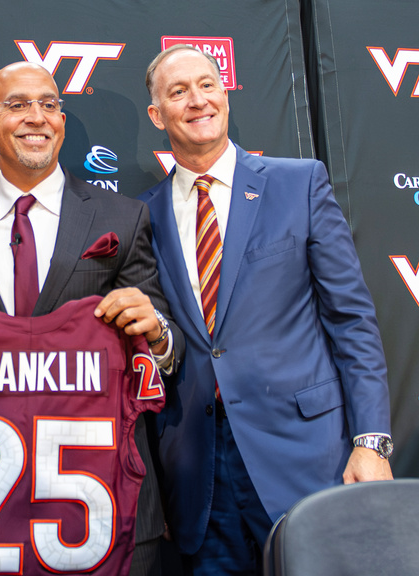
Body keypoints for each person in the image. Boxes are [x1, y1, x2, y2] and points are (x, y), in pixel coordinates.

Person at [140, 44, 393, 575]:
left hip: (308, 457)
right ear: (156, 114)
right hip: (198, 475)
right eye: (178, 91)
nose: (197, 100)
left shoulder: (298, 182)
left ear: (225, 94)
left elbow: (352, 321)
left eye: (207, 85)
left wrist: (372, 442)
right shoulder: (145, 215)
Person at [0, 61, 184, 576]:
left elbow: (167, 347)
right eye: (17, 105)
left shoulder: (121, 217)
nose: (36, 117)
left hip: (103, 488)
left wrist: (155, 330)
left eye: (49, 104)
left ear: (62, 120)